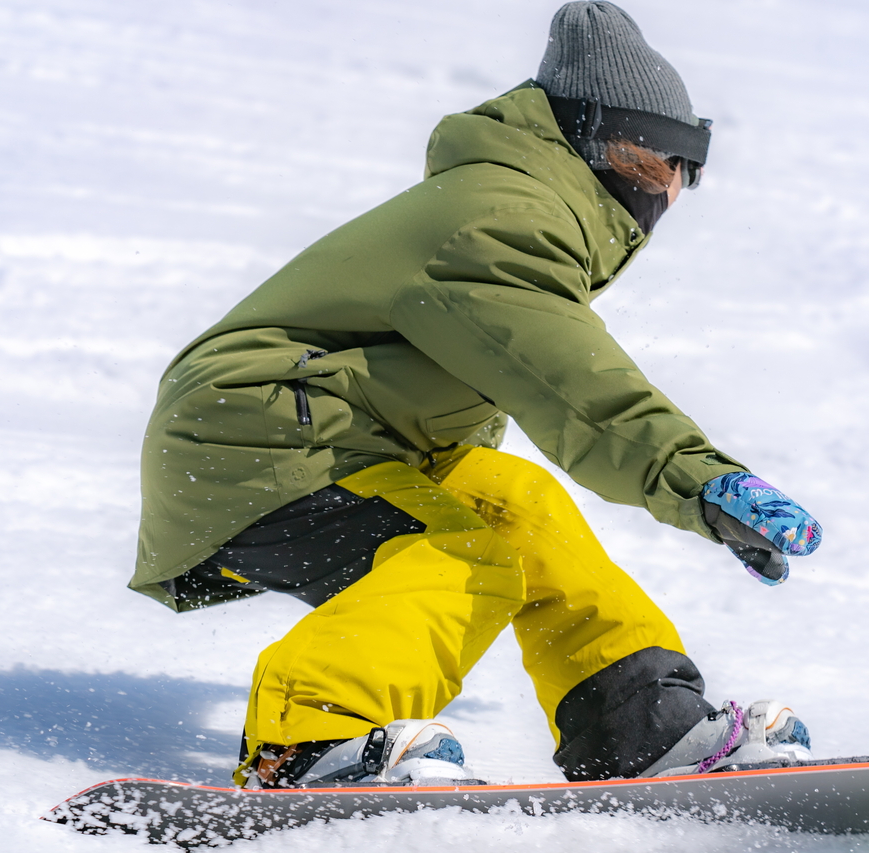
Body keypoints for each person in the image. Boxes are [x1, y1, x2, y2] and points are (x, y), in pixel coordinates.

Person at [130, 1, 822, 788]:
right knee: (463, 555)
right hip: (254, 440)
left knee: (524, 504)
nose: (660, 193)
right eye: (648, 164)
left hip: (339, 436)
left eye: (677, 174)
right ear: (589, 145)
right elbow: (569, 380)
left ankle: (640, 727)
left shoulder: (520, 205)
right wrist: (696, 477)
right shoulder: (500, 219)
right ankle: (308, 740)